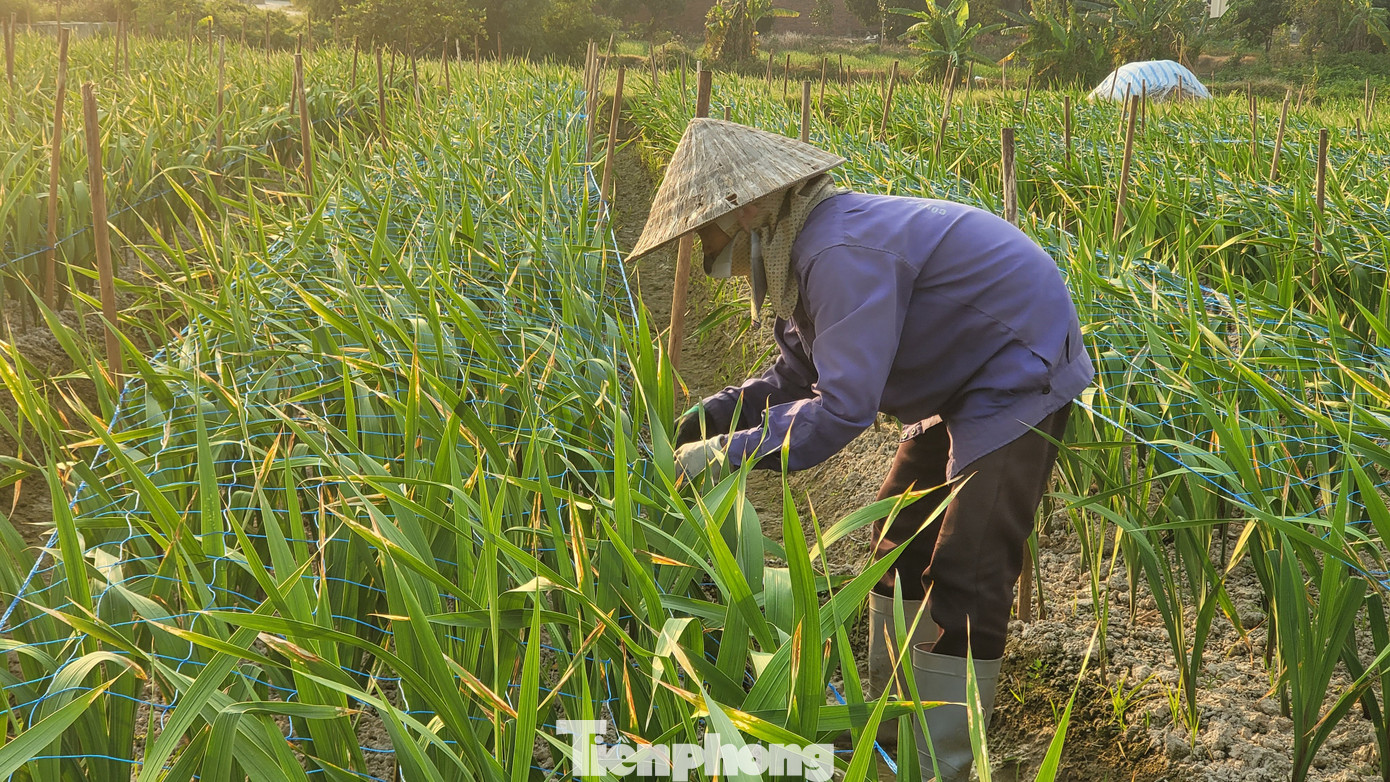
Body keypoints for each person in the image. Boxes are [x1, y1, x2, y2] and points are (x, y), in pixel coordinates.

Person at [627, 118, 1093, 781]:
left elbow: (842, 407)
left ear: (748, 208)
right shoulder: (798, 247)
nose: (703, 251)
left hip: (1016, 362)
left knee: (968, 565)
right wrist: (706, 420)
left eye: (704, 230)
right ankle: (889, 718)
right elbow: (792, 376)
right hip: (951, 371)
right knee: (896, 542)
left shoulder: (835, 251)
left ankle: (938, 765)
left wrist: (727, 456)